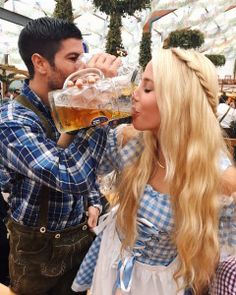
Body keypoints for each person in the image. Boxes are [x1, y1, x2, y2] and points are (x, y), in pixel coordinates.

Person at [71, 48, 236, 295]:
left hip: (163, 284)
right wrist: (83, 104)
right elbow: (70, 173)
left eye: (147, 89)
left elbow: (214, 262)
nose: (134, 95)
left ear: (179, 102)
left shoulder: (221, 180)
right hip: (112, 261)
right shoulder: (128, 141)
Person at [0, 17, 120, 295]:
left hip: (79, 236)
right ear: (40, 63)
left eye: (83, 56)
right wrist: (98, 101)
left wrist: (93, 201)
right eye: (73, 58)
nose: (83, 67)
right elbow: (70, 173)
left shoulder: (67, 102)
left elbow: (88, 164)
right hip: (36, 249)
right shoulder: (11, 121)